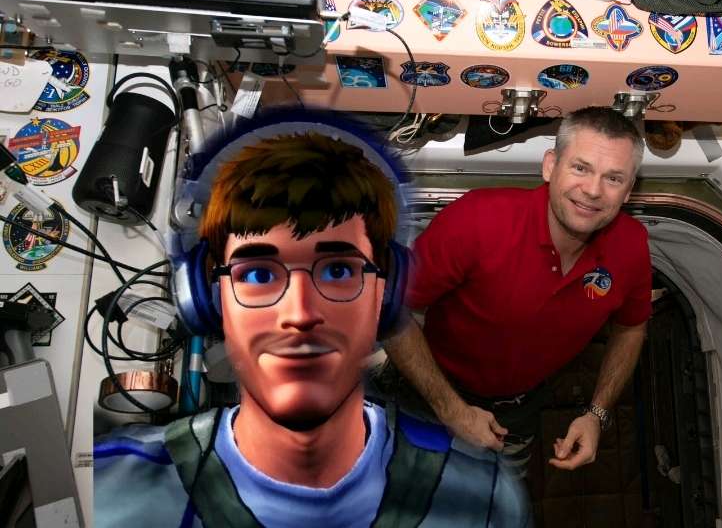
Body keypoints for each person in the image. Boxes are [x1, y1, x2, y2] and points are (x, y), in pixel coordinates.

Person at [93, 123, 528, 527]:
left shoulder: (486, 502)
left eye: (337, 271)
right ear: (210, 299)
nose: (300, 314)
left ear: (383, 295)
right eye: (259, 274)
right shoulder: (109, 492)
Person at [378, 107, 652, 478]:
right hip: (428, 389)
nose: (592, 190)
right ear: (550, 166)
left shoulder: (631, 246)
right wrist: (452, 411)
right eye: (580, 168)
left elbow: (632, 327)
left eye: (613, 178)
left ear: (628, 190)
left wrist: (596, 414)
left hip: (519, 410)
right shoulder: (478, 221)